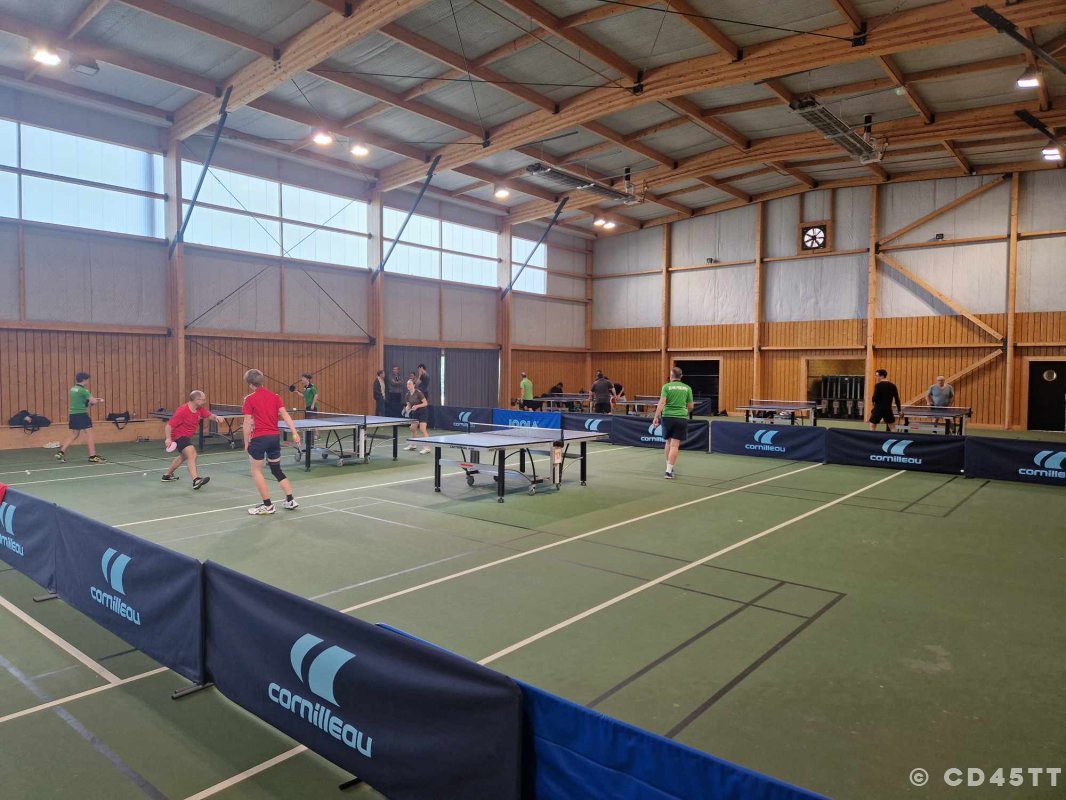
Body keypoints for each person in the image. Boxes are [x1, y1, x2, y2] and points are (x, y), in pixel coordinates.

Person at [241, 369, 300, 515]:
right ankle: (290, 500)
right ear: (262, 381)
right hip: (274, 438)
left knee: (256, 471)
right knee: (276, 470)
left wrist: (246, 443)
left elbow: (247, 423)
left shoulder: (249, 399)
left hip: (259, 439)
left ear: (250, 384)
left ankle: (267, 505)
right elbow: (286, 415)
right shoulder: (275, 396)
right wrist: (294, 433)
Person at [161, 390, 224, 489]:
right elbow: (169, 426)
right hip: (178, 436)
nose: (204, 401)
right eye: (203, 399)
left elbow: (209, 415)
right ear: (196, 400)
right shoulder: (182, 411)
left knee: (183, 456)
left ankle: (167, 475)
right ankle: (196, 480)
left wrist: (217, 417)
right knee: (192, 453)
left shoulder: (199, 409)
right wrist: (168, 439)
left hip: (186, 436)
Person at [56, 372, 107, 463]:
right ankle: (92, 456)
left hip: (73, 414)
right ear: (84, 380)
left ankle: (61, 452)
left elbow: (84, 403)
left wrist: (91, 401)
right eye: (87, 379)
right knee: (89, 434)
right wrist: (97, 400)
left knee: (74, 434)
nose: (88, 381)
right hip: (81, 414)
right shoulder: (84, 390)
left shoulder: (72, 389)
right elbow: (93, 402)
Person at [652, 367, 694, 480]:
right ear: (681, 376)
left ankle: (668, 468)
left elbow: (662, 402)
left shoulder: (666, 387)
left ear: (671, 376)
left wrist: (656, 416)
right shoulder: (687, 388)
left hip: (667, 418)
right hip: (681, 418)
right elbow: (691, 406)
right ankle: (669, 471)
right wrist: (685, 412)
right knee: (675, 445)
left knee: (668, 443)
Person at [402, 378, 431, 455]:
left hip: (423, 412)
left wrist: (417, 406)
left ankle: (427, 448)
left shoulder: (418, 393)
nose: (408, 385)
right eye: (407, 384)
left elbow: (425, 403)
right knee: (413, 428)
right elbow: (409, 405)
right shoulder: (407, 395)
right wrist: (405, 410)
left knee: (422, 429)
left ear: (414, 385)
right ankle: (413, 445)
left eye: (410, 384)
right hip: (415, 412)